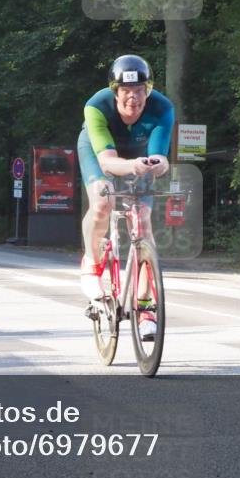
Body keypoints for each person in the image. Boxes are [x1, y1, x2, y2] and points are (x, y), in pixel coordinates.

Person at [77, 55, 174, 340]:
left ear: (149, 90)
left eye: (140, 90)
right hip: (100, 153)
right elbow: (107, 163)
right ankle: (92, 264)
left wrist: (158, 164)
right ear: (115, 92)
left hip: (138, 153)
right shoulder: (96, 106)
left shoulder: (162, 107)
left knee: (142, 219)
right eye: (127, 91)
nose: (134, 97)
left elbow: (160, 156)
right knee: (103, 200)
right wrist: (132, 166)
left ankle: (145, 308)